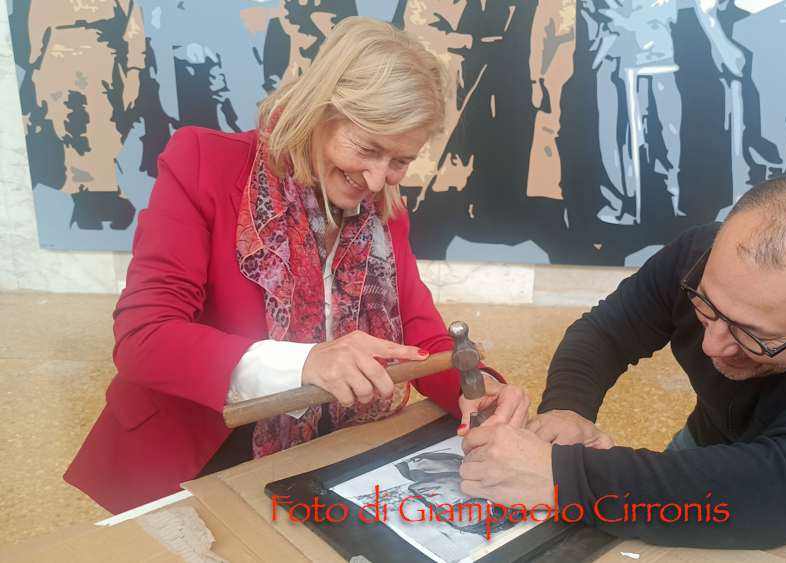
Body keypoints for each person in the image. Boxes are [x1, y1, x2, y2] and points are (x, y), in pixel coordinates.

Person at [64, 17, 529, 515]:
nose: (377, 181)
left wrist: (478, 387)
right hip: (197, 454)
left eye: (400, 161)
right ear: (319, 110)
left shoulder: (384, 211)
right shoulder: (204, 163)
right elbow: (144, 337)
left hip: (322, 454)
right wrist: (307, 363)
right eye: (367, 148)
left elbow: (422, 339)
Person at [460, 177, 786, 563]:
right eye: (706, 306)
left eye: (753, 334)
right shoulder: (697, 257)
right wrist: (569, 409)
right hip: (705, 448)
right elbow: (604, 333)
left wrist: (566, 477)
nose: (712, 345)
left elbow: (776, 495)